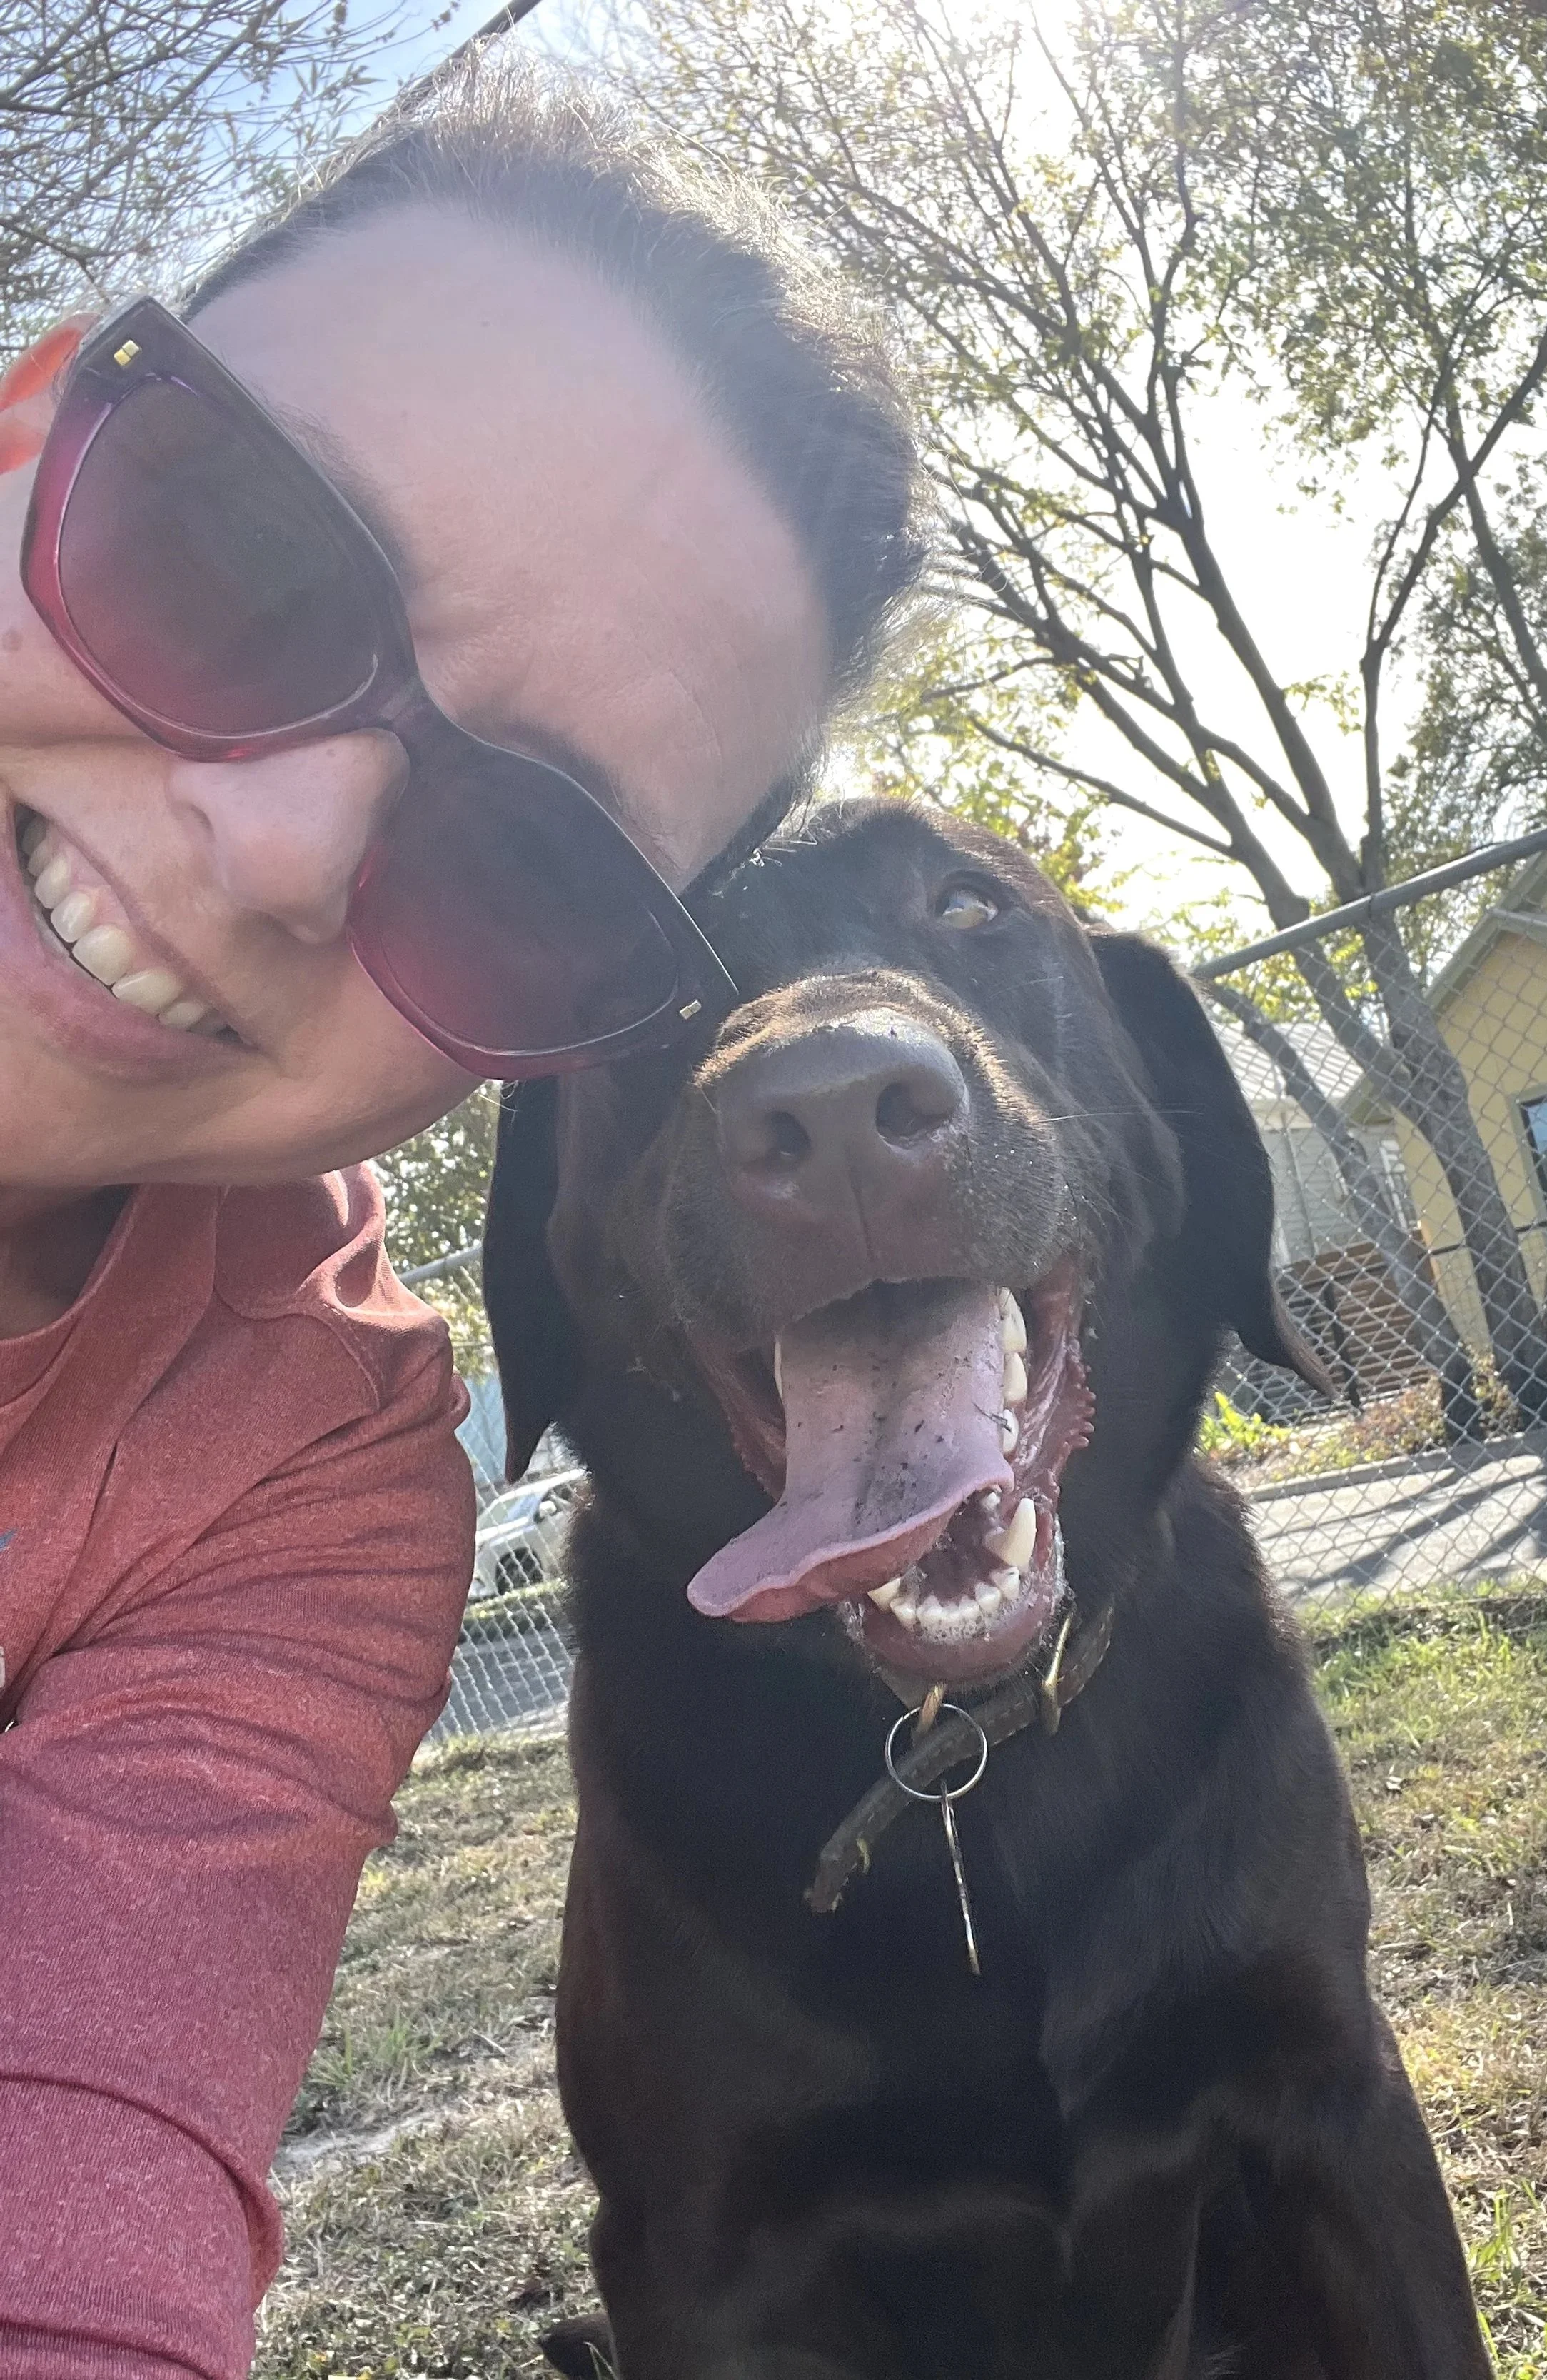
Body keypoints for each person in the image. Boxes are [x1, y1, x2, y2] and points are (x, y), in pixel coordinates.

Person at [0, 58, 921, 2377]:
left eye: (524, 869)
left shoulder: (301, 1471)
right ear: (36, 415)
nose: (286, 846)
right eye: (234, 548)